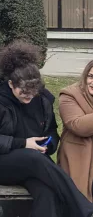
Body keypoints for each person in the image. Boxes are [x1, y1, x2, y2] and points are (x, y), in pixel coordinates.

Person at [0, 41, 93, 217]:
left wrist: (48, 145)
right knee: (33, 157)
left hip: (33, 165)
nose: (29, 97)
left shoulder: (42, 99)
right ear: (11, 84)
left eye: (33, 92)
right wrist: (23, 143)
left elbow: (52, 133)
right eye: (24, 92)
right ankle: (85, 210)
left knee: (47, 192)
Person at [58, 60, 93, 201]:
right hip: (79, 156)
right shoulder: (69, 95)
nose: (92, 81)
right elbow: (78, 125)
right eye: (90, 76)